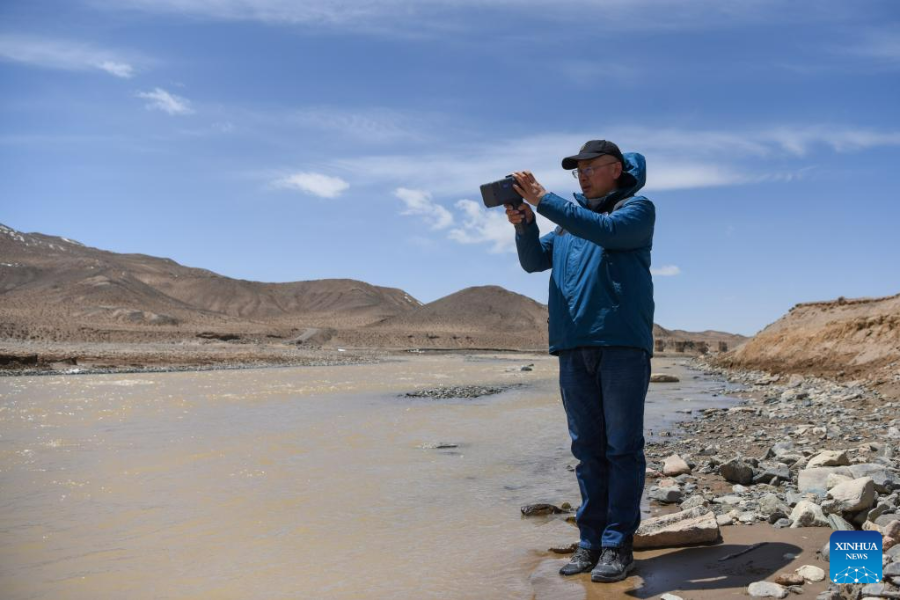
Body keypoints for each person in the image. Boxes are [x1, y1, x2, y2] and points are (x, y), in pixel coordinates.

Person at [506, 140, 654, 583]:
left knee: (622, 449)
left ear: (616, 169)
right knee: (587, 451)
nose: (583, 175)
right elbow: (534, 262)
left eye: (591, 167)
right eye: (578, 170)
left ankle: (618, 544)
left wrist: (544, 199)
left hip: (620, 346)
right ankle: (590, 542)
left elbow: (606, 232)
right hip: (572, 347)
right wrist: (526, 225)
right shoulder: (566, 227)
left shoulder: (635, 210)